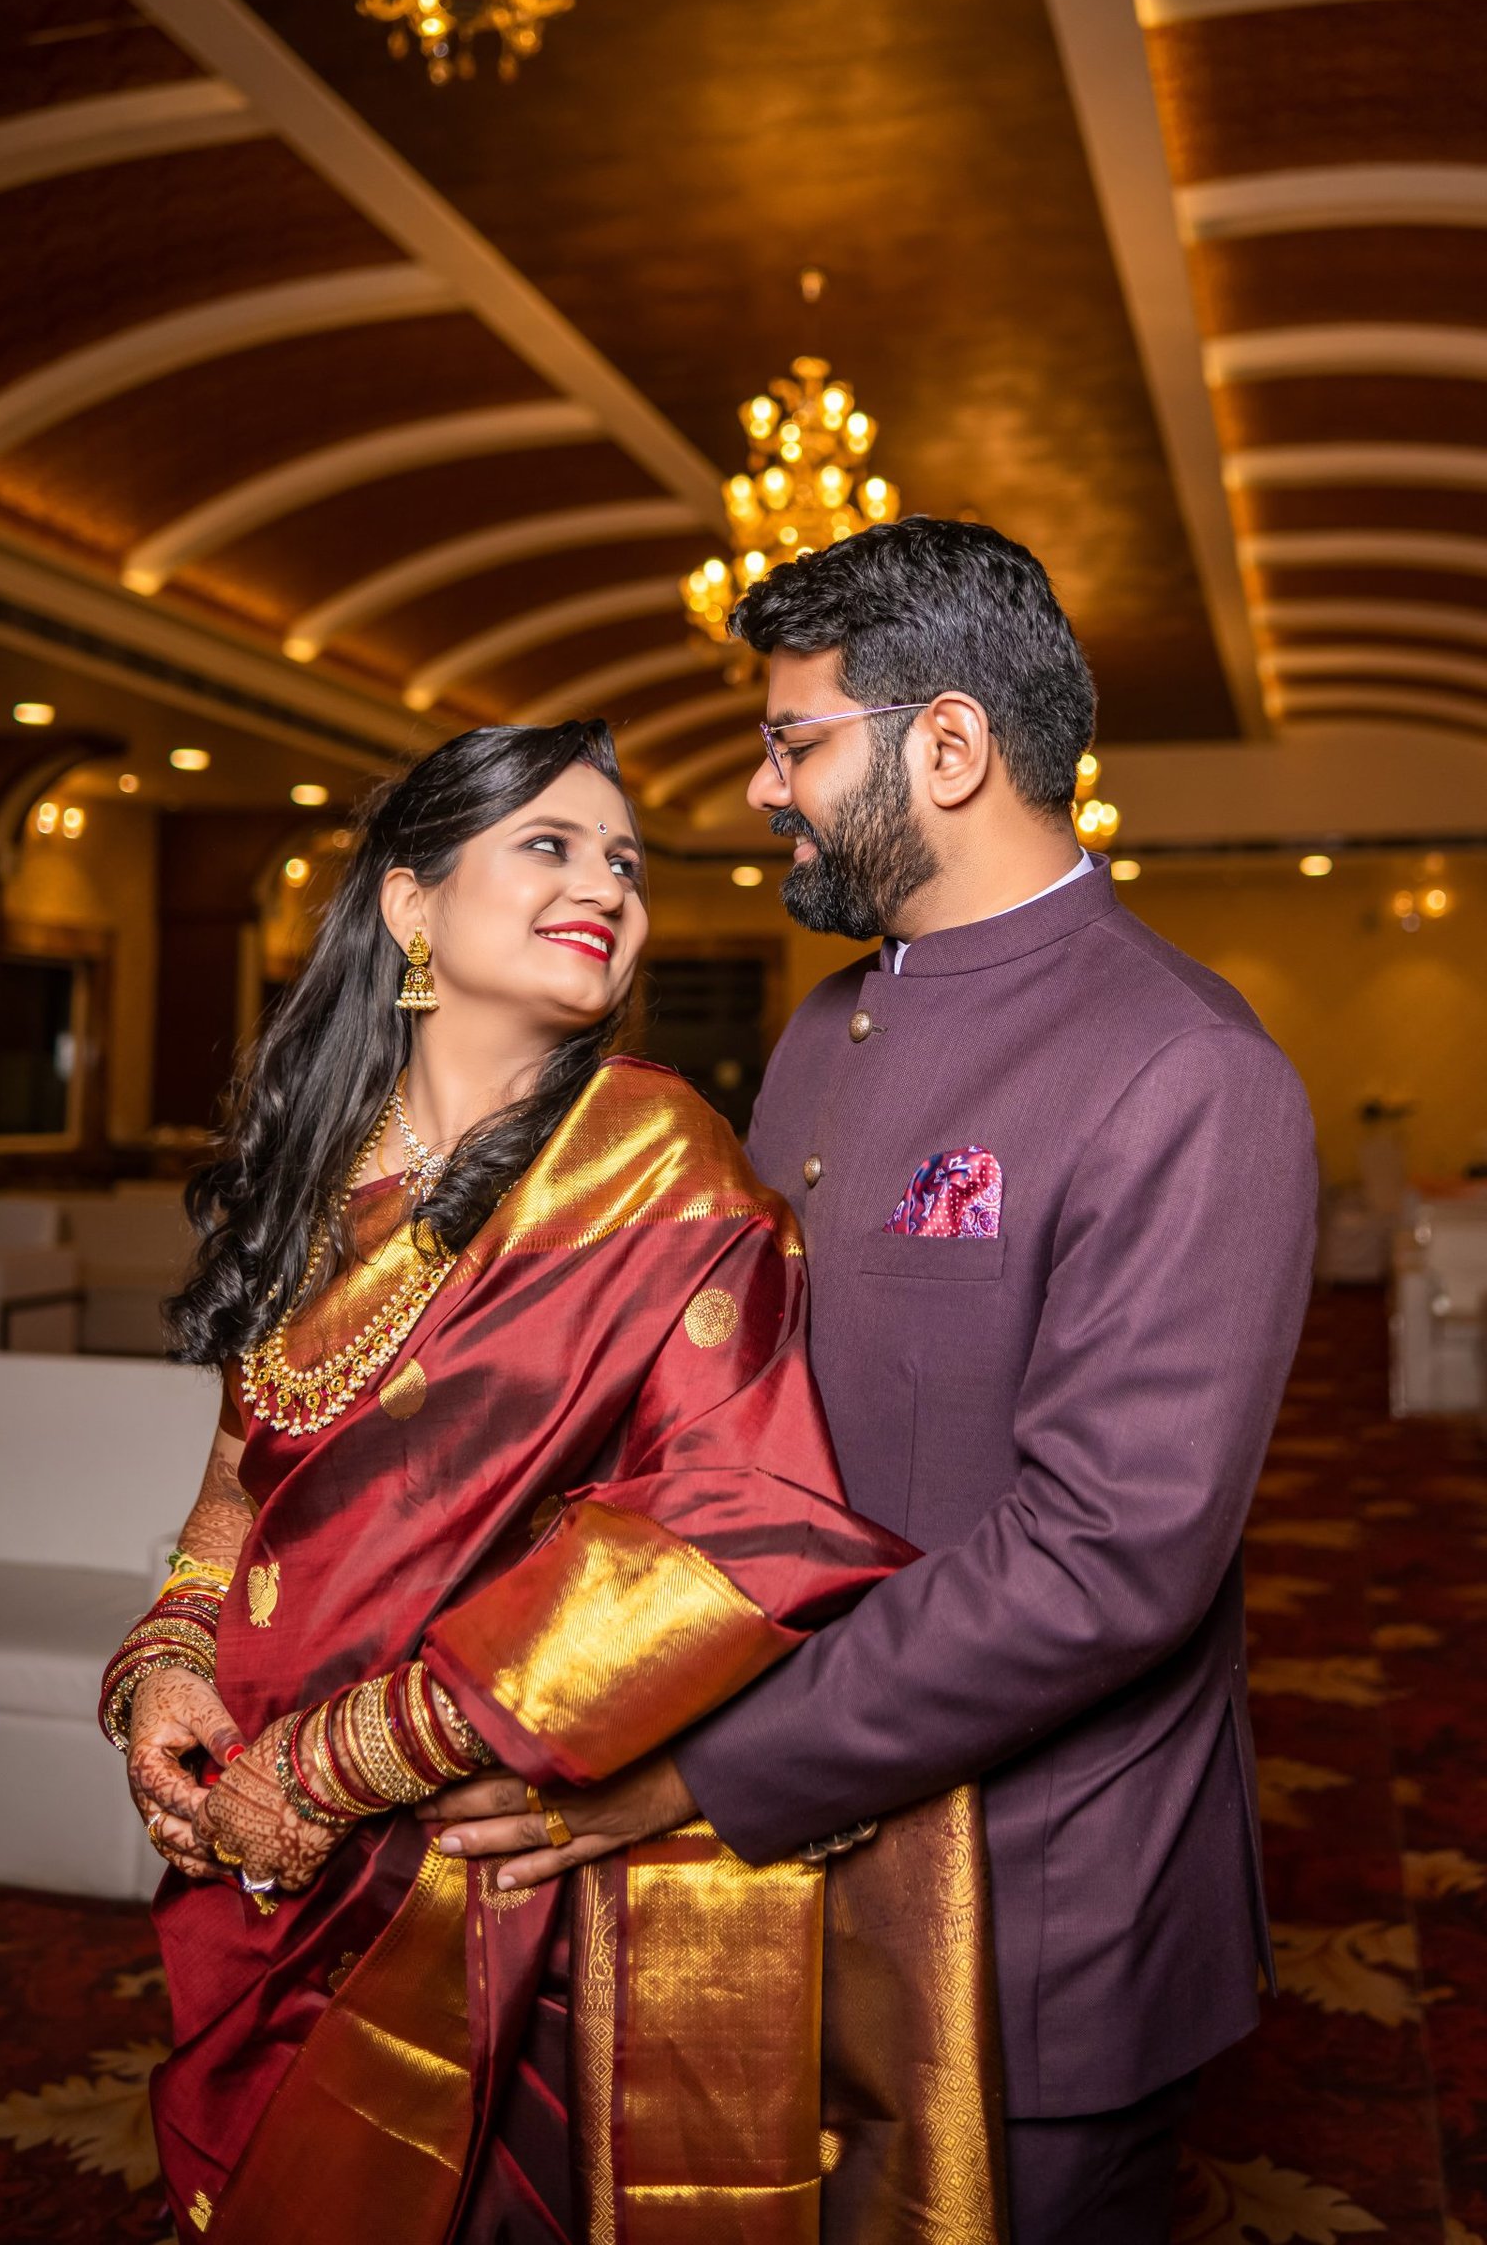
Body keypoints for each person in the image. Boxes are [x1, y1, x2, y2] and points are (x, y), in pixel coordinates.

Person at [431, 522, 1320, 2245]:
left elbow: (1109, 1560)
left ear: (950, 745)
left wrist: (701, 1773)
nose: (763, 788)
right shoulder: (826, 1024)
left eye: (795, 741)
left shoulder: (1187, 1068)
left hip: (1041, 1903)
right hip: (786, 1875)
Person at [100, 719, 1006, 2245]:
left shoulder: (652, 1161)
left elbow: (729, 1524)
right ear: (410, 904)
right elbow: (246, 1475)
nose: (606, 886)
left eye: (626, 863)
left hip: (484, 1843)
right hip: (255, 1818)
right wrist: (171, 1657)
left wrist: (346, 1762)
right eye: (550, 845)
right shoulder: (318, 1169)